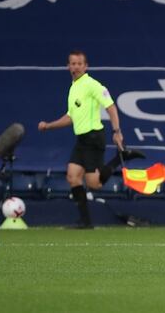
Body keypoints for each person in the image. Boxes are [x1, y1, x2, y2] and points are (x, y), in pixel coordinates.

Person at [38, 50, 144, 228]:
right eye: (73, 63)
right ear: (68, 66)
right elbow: (70, 117)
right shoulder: (74, 88)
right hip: (82, 139)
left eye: (79, 63)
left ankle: (121, 157)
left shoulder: (92, 84)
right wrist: (49, 126)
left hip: (94, 137)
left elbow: (111, 107)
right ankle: (86, 222)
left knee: (94, 185)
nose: (76, 67)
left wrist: (116, 131)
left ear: (86, 66)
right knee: (73, 177)